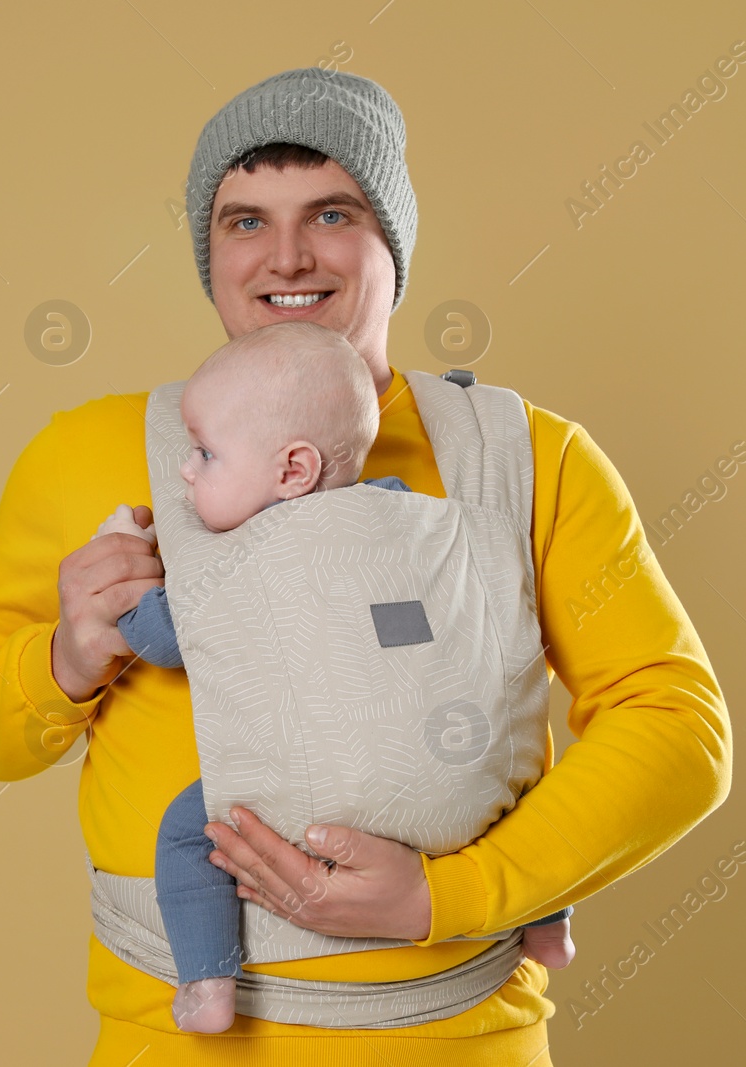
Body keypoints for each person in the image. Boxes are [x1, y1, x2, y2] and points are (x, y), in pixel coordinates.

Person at [0, 65, 731, 1065]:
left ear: (393, 241)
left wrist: (453, 895)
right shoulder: (92, 454)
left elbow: (676, 723)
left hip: (455, 1039)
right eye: (244, 220)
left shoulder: (526, 459)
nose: (287, 255)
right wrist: (66, 658)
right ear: (207, 253)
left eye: (332, 212)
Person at [90, 320, 575, 1033]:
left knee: (188, 835)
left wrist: (124, 567)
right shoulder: (409, 511)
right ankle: (544, 923)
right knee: (530, 791)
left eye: (204, 453)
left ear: (292, 471)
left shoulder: (237, 561)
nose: (186, 472)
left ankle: (207, 978)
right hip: (455, 775)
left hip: (314, 792)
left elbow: (162, 640)